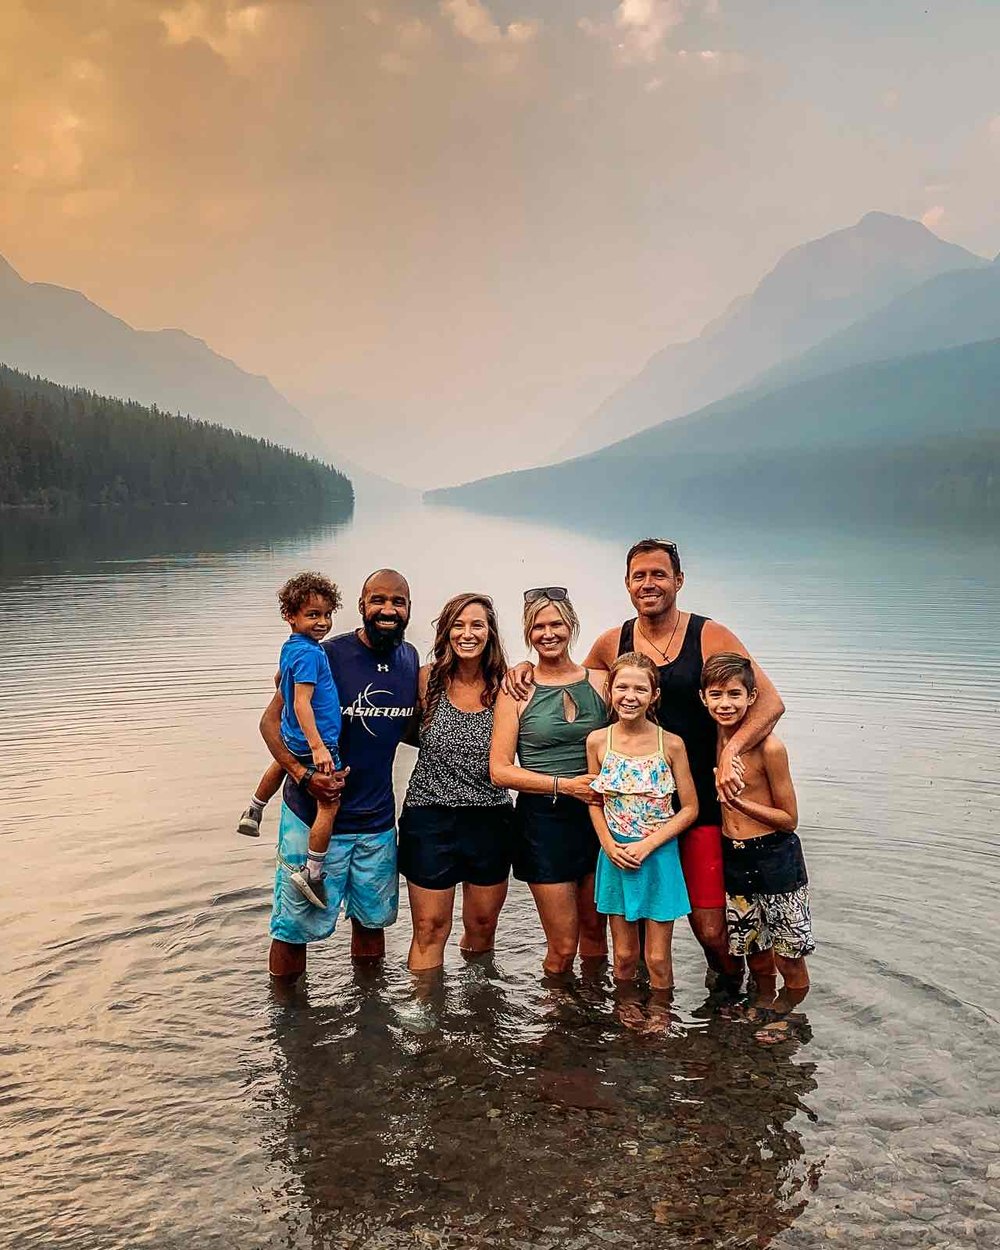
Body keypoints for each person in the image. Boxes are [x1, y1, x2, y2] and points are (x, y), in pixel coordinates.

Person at [507, 538, 785, 983]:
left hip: (701, 802)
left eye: (659, 574)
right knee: (631, 930)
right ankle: (637, 1019)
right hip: (631, 810)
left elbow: (769, 703)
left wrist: (731, 749)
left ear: (678, 580)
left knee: (713, 929)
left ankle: (732, 1004)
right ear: (627, 584)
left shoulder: (708, 635)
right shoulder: (611, 642)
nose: (649, 583)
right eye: (640, 576)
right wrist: (524, 669)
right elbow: (568, 676)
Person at [259, 569, 419, 980]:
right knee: (293, 930)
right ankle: (290, 1028)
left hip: (378, 822)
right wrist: (302, 774)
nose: (387, 609)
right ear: (362, 606)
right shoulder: (323, 654)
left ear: (408, 609)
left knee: (371, 924)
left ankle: (370, 1019)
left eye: (397, 602)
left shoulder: (409, 660)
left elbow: (413, 727)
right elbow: (269, 724)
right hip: (312, 816)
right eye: (378, 600)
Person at [490, 588, 608, 976]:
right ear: (528, 632)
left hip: (599, 818)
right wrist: (564, 785)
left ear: (571, 625)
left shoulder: (602, 682)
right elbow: (500, 770)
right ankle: (557, 1023)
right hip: (543, 821)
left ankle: (595, 1022)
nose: (548, 633)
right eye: (538, 626)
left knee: (596, 936)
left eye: (556, 623)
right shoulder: (517, 690)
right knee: (562, 943)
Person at [398, 593, 513, 972]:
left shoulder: (508, 686)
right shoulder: (425, 681)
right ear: (446, 632)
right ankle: (426, 1016)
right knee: (430, 928)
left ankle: (480, 1009)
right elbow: (387, 718)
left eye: (477, 625)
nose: (467, 634)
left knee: (482, 927)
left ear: (490, 632)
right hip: (430, 817)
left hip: (491, 818)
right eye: (458, 625)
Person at [700, 652, 812, 1039]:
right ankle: (763, 1002)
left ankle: (790, 1011)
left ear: (751, 698)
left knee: (788, 954)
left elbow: (790, 819)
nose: (725, 704)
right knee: (755, 951)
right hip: (735, 858)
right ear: (703, 699)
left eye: (735, 694)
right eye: (716, 695)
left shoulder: (770, 748)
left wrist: (738, 802)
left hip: (775, 857)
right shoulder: (715, 736)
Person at [586, 652, 697, 992]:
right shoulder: (597, 741)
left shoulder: (672, 744)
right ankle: (627, 1015)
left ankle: (662, 1018)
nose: (630, 697)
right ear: (609, 689)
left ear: (654, 695)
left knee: (658, 958)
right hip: (616, 852)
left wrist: (649, 844)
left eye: (640, 689)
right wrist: (608, 844)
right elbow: (594, 800)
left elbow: (690, 808)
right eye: (622, 687)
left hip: (658, 854)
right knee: (623, 954)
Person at [243, 572, 345, 908]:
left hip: (291, 737)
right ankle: (313, 871)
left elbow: (279, 678)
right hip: (317, 740)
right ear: (290, 615)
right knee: (329, 803)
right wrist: (317, 746)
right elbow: (301, 702)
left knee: (282, 763)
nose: (322, 622)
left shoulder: (292, 648)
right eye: (313, 615)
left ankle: (254, 809)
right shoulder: (312, 655)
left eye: (327, 614)